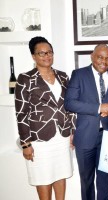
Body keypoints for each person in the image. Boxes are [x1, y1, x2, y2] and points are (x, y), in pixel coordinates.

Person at [14, 36, 75, 200]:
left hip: (61, 136)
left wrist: (72, 131)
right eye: (41, 53)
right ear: (33, 56)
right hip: (39, 140)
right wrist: (25, 144)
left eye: (49, 52)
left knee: (60, 175)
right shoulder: (25, 79)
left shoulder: (63, 77)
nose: (46, 56)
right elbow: (21, 113)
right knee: (43, 178)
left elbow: (69, 106)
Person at [64, 44, 108, 200]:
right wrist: (98, 108)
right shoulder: (79, 75)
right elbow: (69, 103)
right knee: (87, 181)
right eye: (100, 57)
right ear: (92, 56)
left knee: (106, 181)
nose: (104, 61)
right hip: (85, 137)